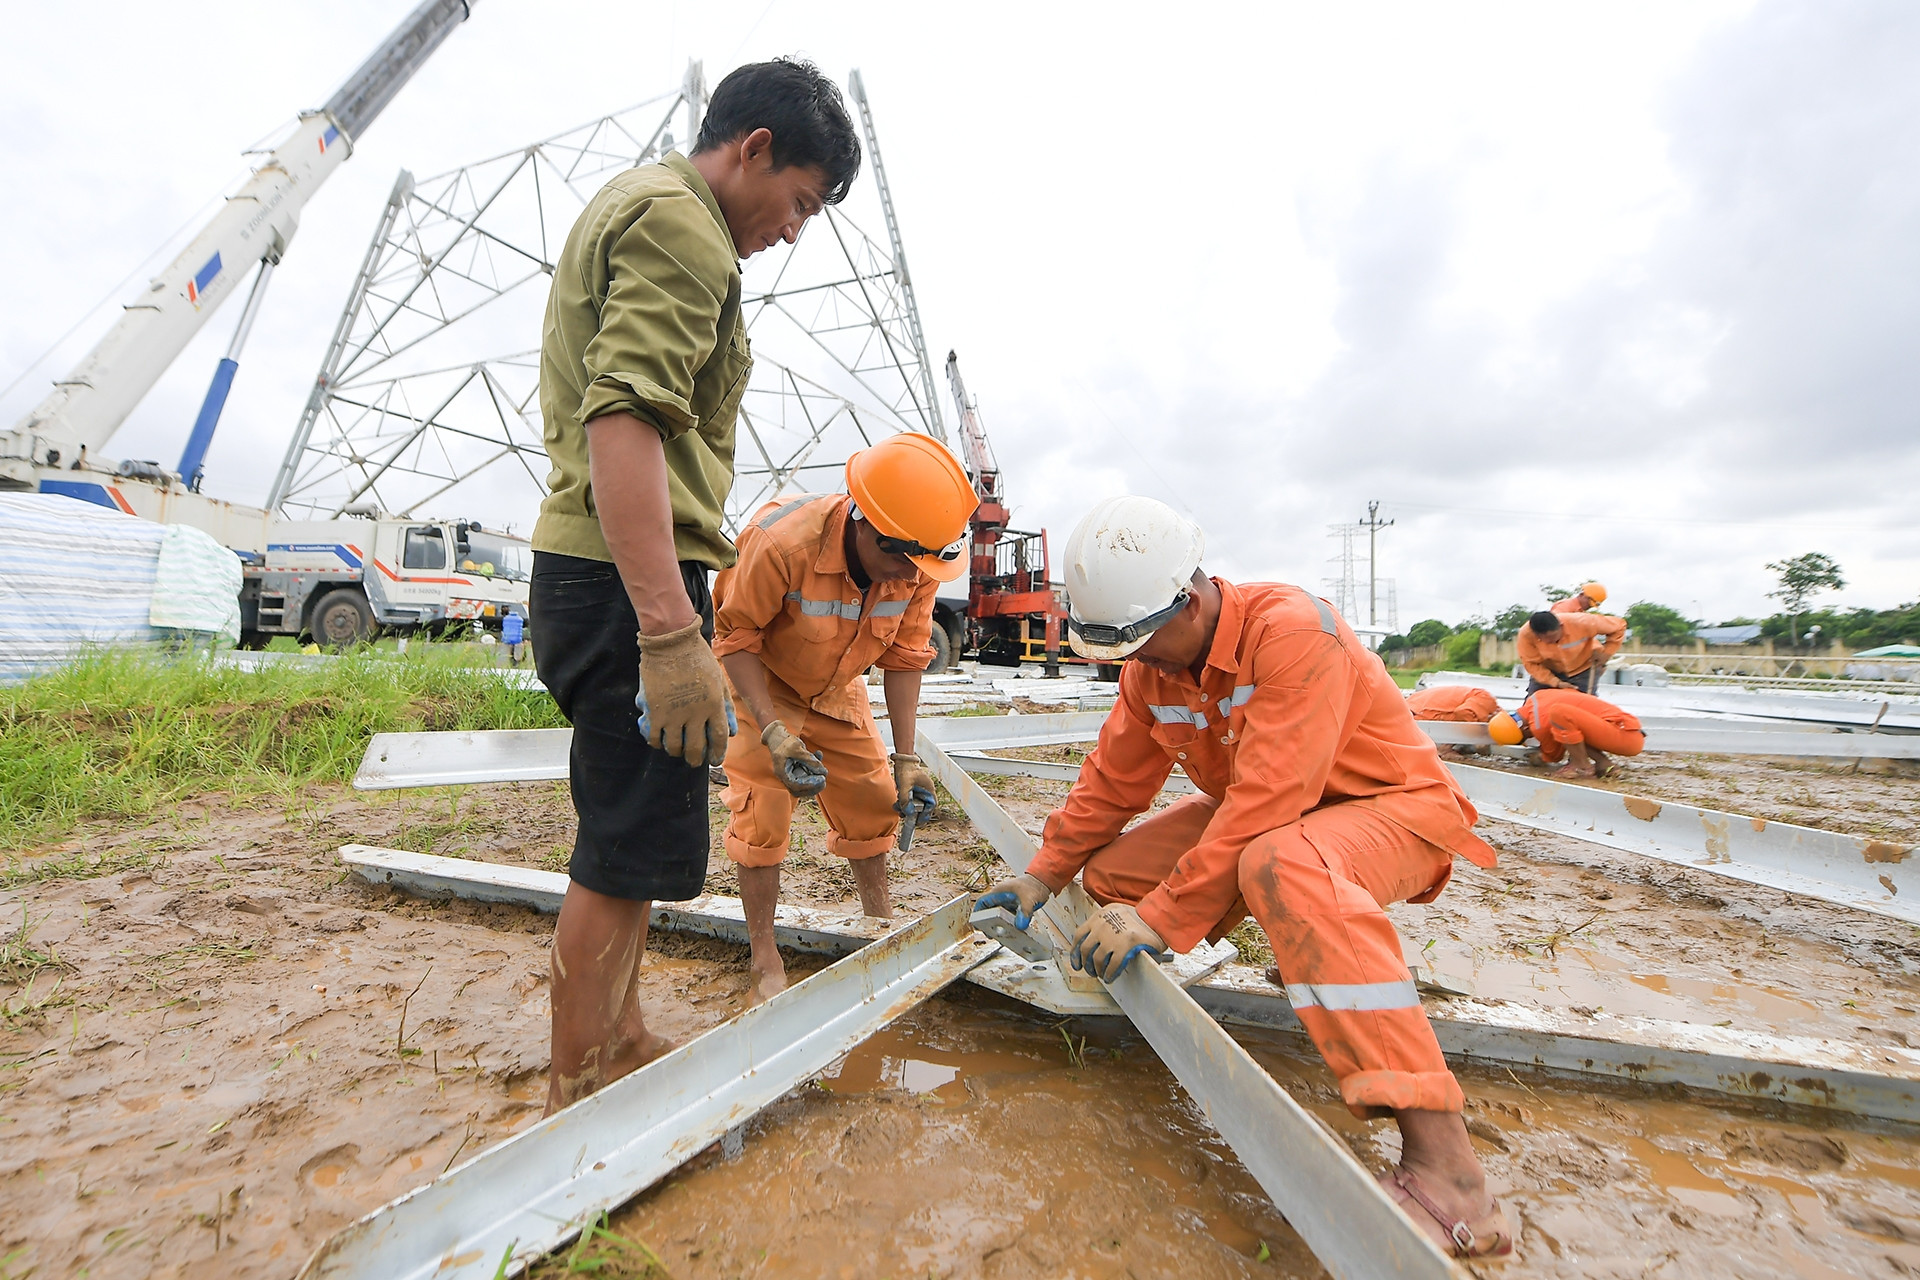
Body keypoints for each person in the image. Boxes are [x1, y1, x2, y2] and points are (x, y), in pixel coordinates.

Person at [978, 495, 1514, 1259]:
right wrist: (1042, 875)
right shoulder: (1152, 666)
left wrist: (1162, 919)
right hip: (1276, 813)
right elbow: (1112, 782)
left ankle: (1451, 1173)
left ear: (1190, 599)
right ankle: (1139, 1007)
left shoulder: (1295, 635)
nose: (1138, 664)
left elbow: (1269, 805)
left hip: (1389, 811)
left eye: (1144, 643)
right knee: (1116, 877)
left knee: (1281, 863)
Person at [528, 59, 861, 1115]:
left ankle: (619, 1035)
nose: (794, 229)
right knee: (621, 840)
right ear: (754, 148)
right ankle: (578, 1086)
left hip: (615, 570)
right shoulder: (682, 227)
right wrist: (671, 631)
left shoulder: (647, 205)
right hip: (629, 580)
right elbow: (624, 419)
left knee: (637, 839)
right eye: (801, 200)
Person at [712, 433, 977, 1003]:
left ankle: (877, 926)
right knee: (763, 811)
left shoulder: (919, 559)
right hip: (765, 682)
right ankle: (764, 954)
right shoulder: (780, 542)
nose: (908, 577)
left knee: (872, 797)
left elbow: (906, 657)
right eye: (900, 560)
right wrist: (774, 732)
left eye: (919, 565)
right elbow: (734, 638)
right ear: (863, 523)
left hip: (837, 686)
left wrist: (906, 757)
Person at [1490, 689, 1645, 779]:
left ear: (1523, 729)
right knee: (1571, 731)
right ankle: (1604, 764)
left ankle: (1581, 766)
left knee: (1559, 713)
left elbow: (1553, 756)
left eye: (1528, 736)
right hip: (1625, 730)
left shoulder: (1538, 723)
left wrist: (1539, 757)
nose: (1532, 737)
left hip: (1625, 736)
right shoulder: (1537, 697)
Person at [1515, 608, 1624, 695]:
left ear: (1561, 626)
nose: (1550, 641)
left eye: (1553, 636)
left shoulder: (1583, 622)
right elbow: (1531, 664)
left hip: (1583, 669)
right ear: (1535, 634)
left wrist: (1607, 652)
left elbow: (1619, 626)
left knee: (1585, 708)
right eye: (1545, 639)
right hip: (1548, 671)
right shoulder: (1525, 635)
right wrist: (1556, 682)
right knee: (1533, 706)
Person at [1405, 685, 1499, 722]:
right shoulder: (1488, 699)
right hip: (1424, 711)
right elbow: (1463, 712)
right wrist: (1479, 736)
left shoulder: (1481, 696)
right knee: (1464, 720)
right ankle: (1446, 748)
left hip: (1413, 704)